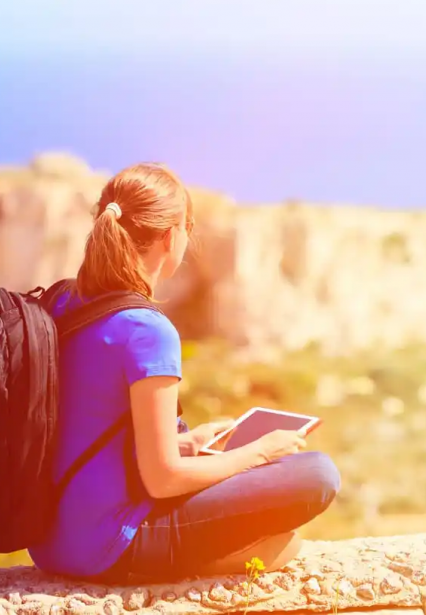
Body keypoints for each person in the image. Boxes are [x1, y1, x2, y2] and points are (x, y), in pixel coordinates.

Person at [27, 162, 341, 584]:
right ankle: (187, 566)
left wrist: (184, 443)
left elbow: (89, 425)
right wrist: (260, 451)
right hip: (110, 548)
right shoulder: (146, 330)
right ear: (171, 235)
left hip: (50, 544)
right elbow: (163, 479)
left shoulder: (64, 304)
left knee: (277, 524)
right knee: (316, 475)